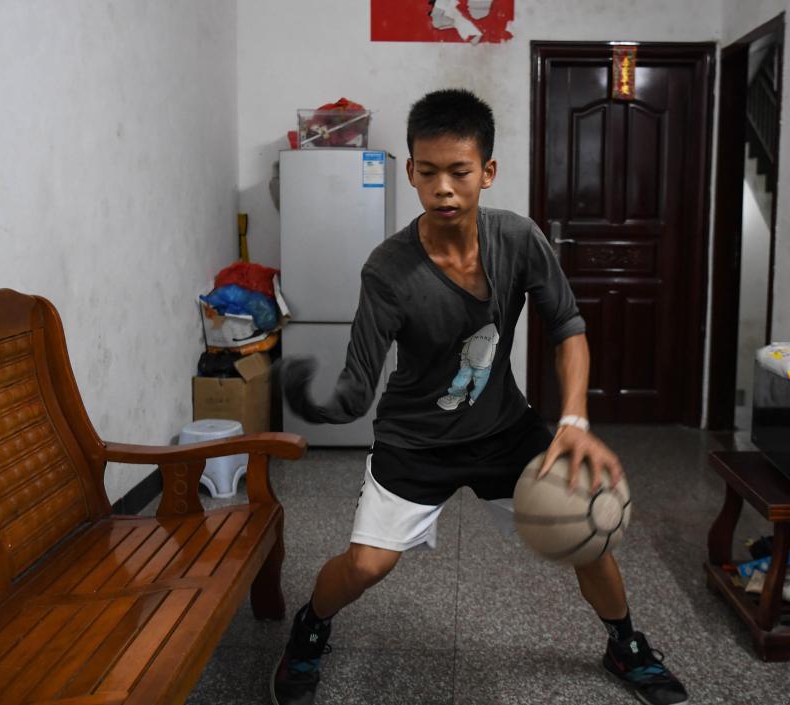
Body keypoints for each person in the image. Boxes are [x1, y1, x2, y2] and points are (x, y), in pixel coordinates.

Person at [272, 88, 688, 705]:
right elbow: (358, 389)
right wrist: (314, 404)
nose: (443, 188)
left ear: (487, 172)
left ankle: (624, 644)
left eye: (459, 171)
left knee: (587, 532)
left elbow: (568, 326)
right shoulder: (387, 269)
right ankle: (310, 627)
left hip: (503, 431)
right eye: (428, 172)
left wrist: (574, 420)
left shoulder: (517, 239)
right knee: (365, 567)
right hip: (416, 441)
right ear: (410, 173)